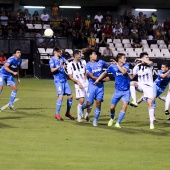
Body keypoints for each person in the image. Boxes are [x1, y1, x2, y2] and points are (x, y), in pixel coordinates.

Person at [94, 53, 130, 128]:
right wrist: (98, 79)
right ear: (119, 59)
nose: (125, 59)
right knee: (112, 108)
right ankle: (112, 118)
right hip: (117, 90)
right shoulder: (112, 67)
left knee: (125, 105)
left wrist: (117, 64)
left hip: (126, 90)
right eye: (124, 58)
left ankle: (118, 123)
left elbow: (123, 72)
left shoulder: (126, 65)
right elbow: (104, 73)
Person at [79, 48, 110, 126]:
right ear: (90, 56)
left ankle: (95, 120)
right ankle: (82, 107)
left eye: (96, 54)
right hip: (92, 86)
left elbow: (109, 67)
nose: (96, 55)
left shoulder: (101, 62)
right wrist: (103, 79)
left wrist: (113, 66)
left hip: (100, 87)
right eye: (94, 54)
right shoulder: (88, 65)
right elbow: (92, 77)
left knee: (98, 102)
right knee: (89, 103)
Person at [129, 52, 155, 129]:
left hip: (149, 87)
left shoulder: (149, 65)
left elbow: (151, 63)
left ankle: (151, 123)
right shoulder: (137, 66)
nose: (148, 58)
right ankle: (134, 101)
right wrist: (126, 71)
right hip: (140, 85)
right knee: (132, 83)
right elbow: (132, 76)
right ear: (143, 58)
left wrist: (141, 59)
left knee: (149, 104)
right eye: (146, 57)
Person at [49, 47, 75, 121]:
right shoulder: (52, 60)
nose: (60, 52)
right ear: (55, 52)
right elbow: (52, 70)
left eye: (60, 51)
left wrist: (67, 66)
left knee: (70, 96)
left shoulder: (62, 58)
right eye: (58, 51)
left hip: (64, 80)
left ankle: (68, 112)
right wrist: (59, 66)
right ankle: (57, 114)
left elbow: (68, 63)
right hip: (58, 81)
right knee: (61, 96)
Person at [67, 50, 92, 122]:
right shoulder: (70, 65)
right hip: (78, 84)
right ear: (75, 56)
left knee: (90, 101)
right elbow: (70, 76)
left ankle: (87, 115)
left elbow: (87, 71)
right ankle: (79, 117)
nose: (81, 56)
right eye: (79, 55)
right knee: (81, 100)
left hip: (86, 83)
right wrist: (78, 82)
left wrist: (86, 75)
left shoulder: (83, 62)